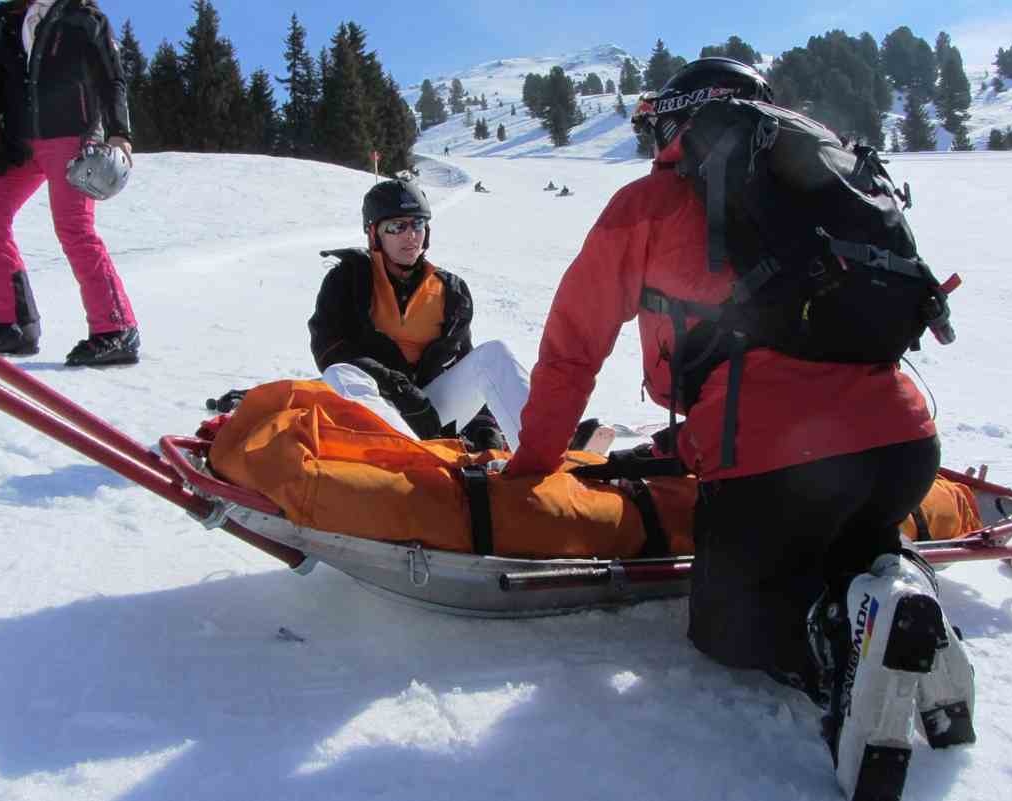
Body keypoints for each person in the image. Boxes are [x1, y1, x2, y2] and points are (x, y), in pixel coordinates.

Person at [502, 58, 971, 800]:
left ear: (679, 122)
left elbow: (570, 350)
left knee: (727, 629)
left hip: (777, 459)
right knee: (843, 541)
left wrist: (530, 464)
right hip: (904, 443)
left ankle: (837, 659)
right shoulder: (822, 193)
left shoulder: (649, 204)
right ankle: (898, 595)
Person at [310, 179, 610, 454]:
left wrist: (484, 427)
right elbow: (330, 350)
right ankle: (409, 460)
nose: (411, 235)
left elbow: (464, 363)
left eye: (418, 224)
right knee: (341, 373)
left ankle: (544, 450)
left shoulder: (449, 291)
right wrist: (396, 387)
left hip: (427, 412)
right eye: (396, 227)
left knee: (493, 354)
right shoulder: (349, 279)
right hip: (374, 408)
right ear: (374, 233)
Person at [0, 0, 140, 366]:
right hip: (18, 140)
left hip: (71, 136)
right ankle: (12, 325)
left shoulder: (84, 18)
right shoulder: (12, 19)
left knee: (73, 227)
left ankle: (116, 329)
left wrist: (119, 134)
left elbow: (112, 78)